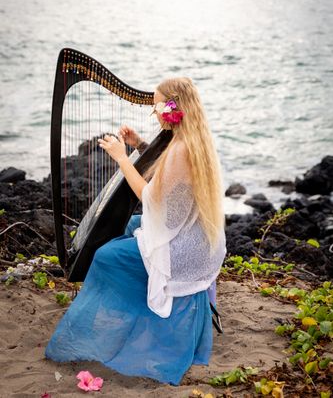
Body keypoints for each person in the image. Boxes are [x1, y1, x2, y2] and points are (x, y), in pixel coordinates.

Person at [45, 77, 226, 385]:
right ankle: (132, 312)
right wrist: (141, 145)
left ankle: (115, 327)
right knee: (127, 225)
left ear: (172, 109)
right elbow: (166, 176)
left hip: (185, 248)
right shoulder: (188, 139)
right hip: (198, 236)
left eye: (156, 106)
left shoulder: (181, 149)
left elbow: (148, 197)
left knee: (105, 256)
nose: (153, 113)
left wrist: (120, 158)